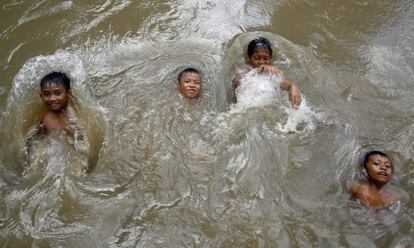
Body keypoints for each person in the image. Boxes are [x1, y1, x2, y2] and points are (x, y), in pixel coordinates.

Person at [232, 37, 301, 108]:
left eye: (266, 58)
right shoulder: (243, 73)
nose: (262, 62)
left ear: (270, 60)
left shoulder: (272, 74)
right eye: (257, 58)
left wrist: (292, 87)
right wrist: (258, 70)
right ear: (249, 59)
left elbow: (283, 84)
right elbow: (236, 82)